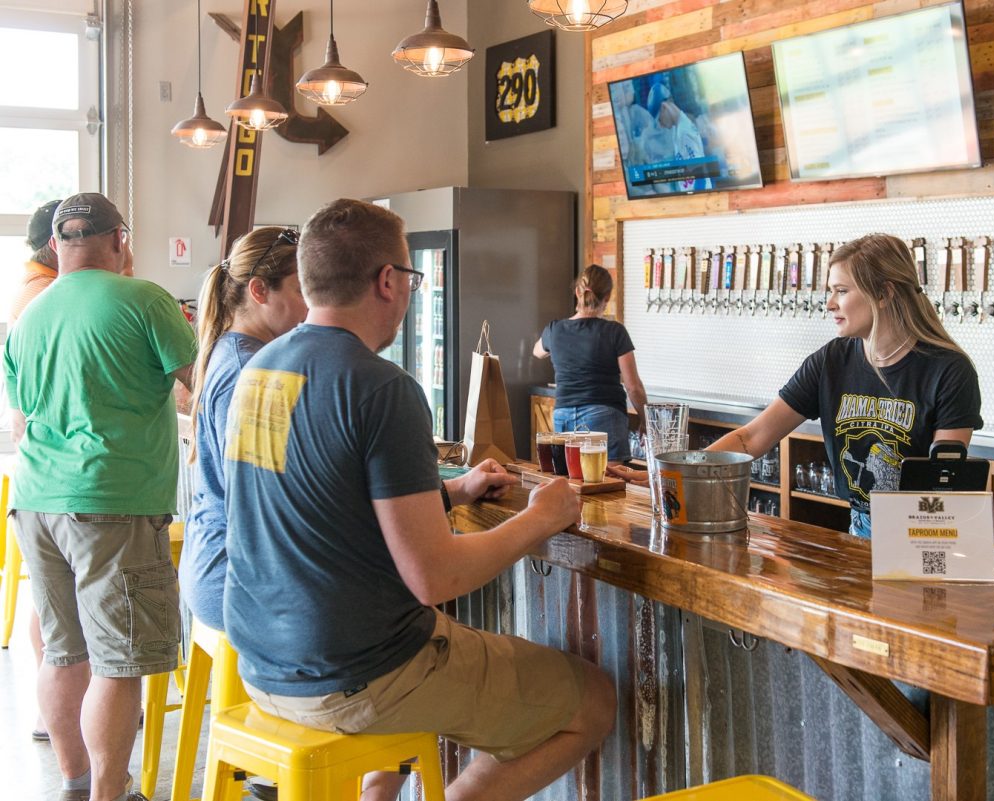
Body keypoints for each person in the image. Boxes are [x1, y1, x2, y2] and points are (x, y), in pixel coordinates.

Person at [222, 198, 615, 801]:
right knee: (594, 700)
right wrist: (541, 518)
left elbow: (323, 493)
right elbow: (435, 576)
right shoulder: (383, 388)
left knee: (432, 649)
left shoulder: (260, 368)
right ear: (387, 281)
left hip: (262, 663)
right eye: (410, 278)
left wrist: (450, 491)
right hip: (357, 675)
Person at [4, 193, 197, 801]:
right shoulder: (144, 299)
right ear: (121, 242)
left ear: (57, 246)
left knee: (63, 652)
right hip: (111, 501)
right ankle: (112, 796)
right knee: (121, 662)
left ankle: (74, 782)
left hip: (36, 501)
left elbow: (19, 417)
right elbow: (208, 383)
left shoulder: (27, 317)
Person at [612, 233, 983, 538]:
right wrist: (670, 476)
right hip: (860, 526)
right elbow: (750, 439)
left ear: (884, 294)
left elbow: (943, 481)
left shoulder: (949, 370)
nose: (829, 303)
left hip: (921, 532)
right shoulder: (831, 360)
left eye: (841, 291)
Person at [179, 226, 305, 632]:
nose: (313, 304)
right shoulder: (247, 372)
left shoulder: (238, 351)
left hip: (219, 567)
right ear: (259, 290)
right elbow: (263, 502)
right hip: (234, 580)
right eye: (302, 289)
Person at [6, 198, 61, 743]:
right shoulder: (45, 296)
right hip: (57, 471)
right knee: (55, 610)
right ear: (56, 245)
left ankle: (55, 713)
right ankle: (57, 713)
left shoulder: (31, 291)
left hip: (38, 472)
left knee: (50, 602)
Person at [533, 264, 647, 461]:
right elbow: (633, 386)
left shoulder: (555, 329)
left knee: (569, 482)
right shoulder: (615, 332)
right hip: (604, 416)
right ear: (607, 297)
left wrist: (561, 348)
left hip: (564, 416)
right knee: (609, 483)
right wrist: (646, 420)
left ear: (578, 292)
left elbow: (537, 352)